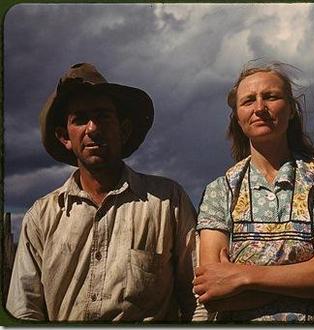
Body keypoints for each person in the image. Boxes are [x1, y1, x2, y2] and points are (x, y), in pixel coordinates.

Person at [6, 63, 205, 321]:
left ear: (123, 130)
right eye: (79, 119)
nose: (92, 128)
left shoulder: (168, 202)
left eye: (103, 116)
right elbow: (24, 311)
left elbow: (198, 298)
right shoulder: (41, 216)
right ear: (64, 137)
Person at [194, 61, 314, 321]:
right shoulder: (220, 191)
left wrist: (244, 276)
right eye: (248, 101)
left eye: (271, 97)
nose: (260, 108)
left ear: (292, 110)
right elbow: (214, 293)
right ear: (238, 117)